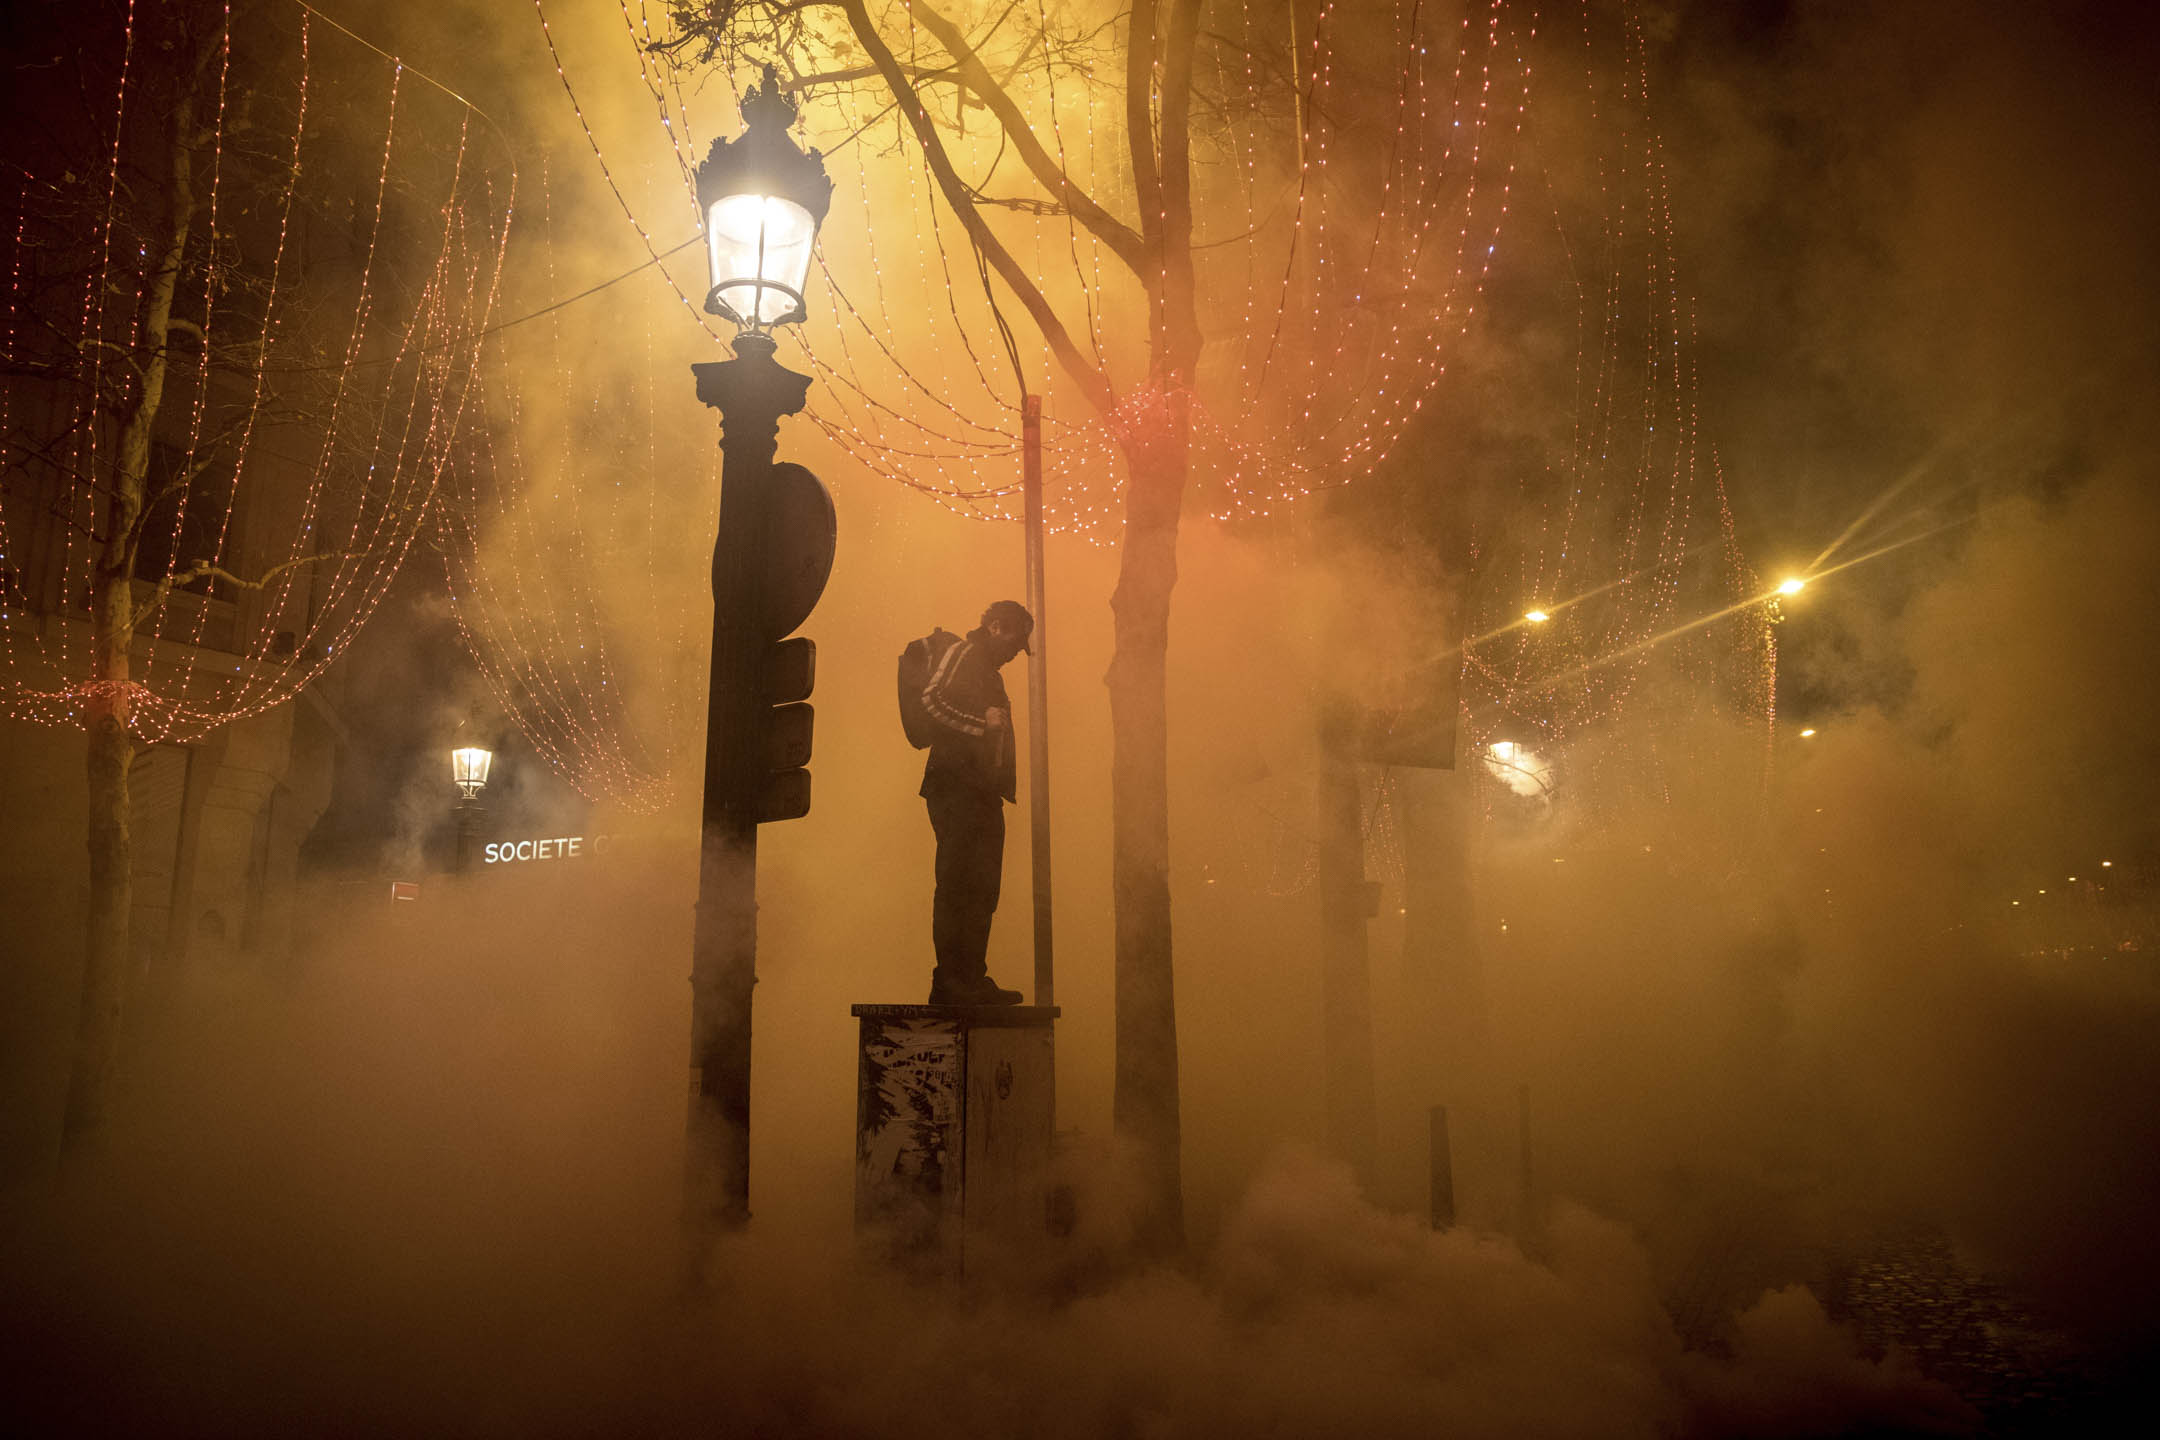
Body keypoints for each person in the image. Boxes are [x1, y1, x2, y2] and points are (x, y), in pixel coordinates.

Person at [919, 599, 1034, 1006]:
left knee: (983, 888)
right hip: (955, 788)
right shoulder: (963, 653)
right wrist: (979, 723)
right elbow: (929, 702)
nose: (1015, 654)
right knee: (957, 883)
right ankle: (951, 980)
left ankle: (972, 977)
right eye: (1016, 643)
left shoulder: (988, 671)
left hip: (983, 792)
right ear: (997, 627)